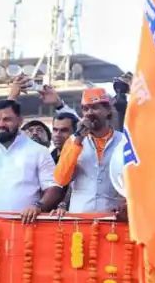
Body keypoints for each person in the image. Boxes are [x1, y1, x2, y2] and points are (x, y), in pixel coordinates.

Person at [54, 88, 127, 217]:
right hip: (79, 218)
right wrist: (78, 141)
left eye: (95, 108)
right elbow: (61, 179)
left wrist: (127, 203)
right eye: (85, 109)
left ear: (108, 110)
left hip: (112, 218)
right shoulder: (73, 141)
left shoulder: (123, 141)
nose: (89, 113)